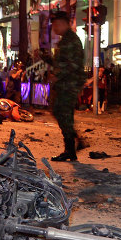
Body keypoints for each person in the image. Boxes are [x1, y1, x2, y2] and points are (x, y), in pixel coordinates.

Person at [42, 11, 86, 162]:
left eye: (57, 24)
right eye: (53, 25)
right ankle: (73, 145)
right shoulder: (65, 40)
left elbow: (72, 65)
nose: (55, 27)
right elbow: (59, 63)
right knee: (60, 112)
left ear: (66, 24)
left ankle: (71, 149)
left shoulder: (71, 40)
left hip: (70, 84)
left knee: (63, 114)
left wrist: (56, 76)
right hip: (65, 83)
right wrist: (44, 58)